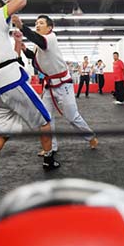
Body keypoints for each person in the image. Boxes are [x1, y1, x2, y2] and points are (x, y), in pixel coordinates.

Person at [0, 0, 60, 181]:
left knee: (5, 130)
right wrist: (8, 4)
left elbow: (9, 57)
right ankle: (49, 160)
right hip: (12, 80)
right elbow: (21, 0)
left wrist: (17, 42)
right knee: (45, 120)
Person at [12, 14, 98, 154]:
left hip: (63, 84)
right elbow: (35, 58)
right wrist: (24, 49)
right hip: (49, 86)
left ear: (50, 27)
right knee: (46, 117)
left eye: (41, 23)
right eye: (36, 23)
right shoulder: (38, 44)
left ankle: (90, 137)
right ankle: (51, 146)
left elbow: (38, 39)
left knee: (72, 116)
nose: (37, 25)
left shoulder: (51, 38)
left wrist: (21, 26)